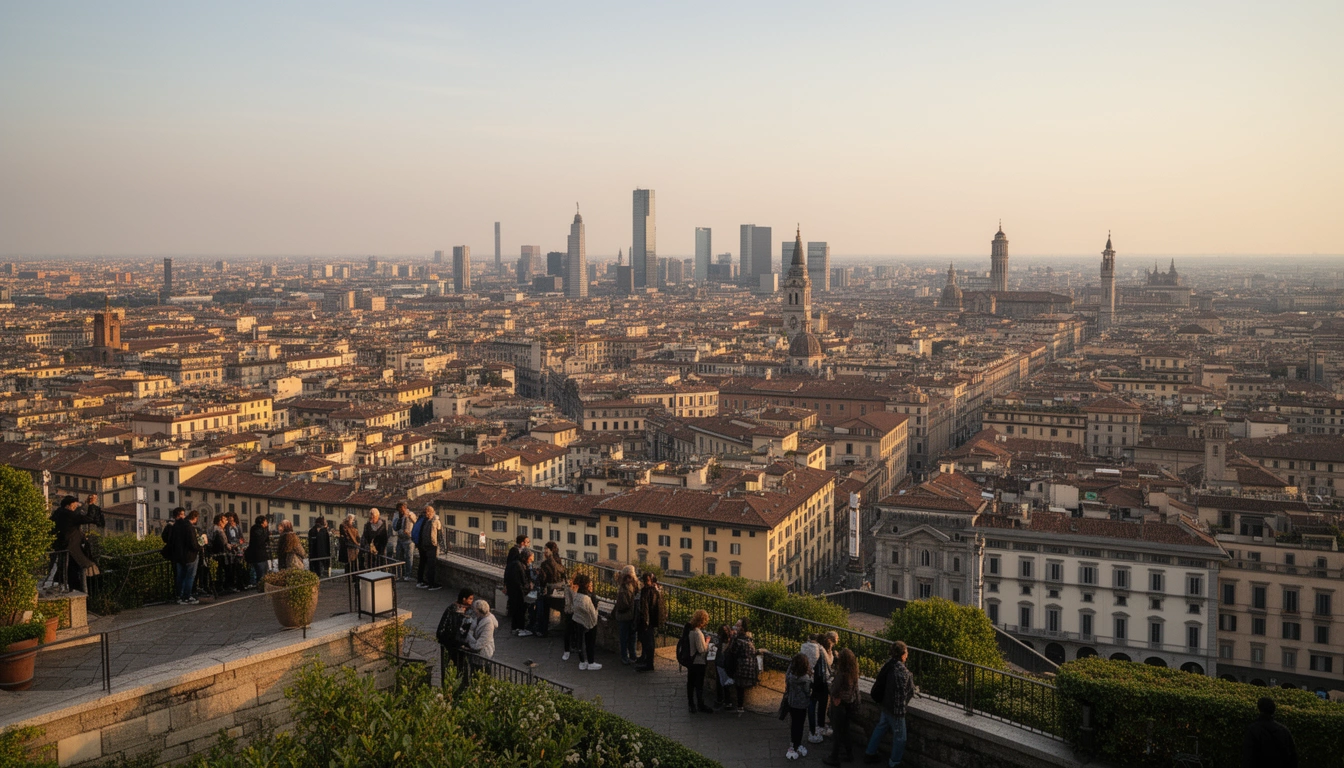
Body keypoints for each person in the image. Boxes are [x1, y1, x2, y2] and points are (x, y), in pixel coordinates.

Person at [864, 641, 915, 767]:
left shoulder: (889, 664)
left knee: (881, 727)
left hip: (885, 704)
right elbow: (903, 694)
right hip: (895, 710)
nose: (907, 655)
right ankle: (894, 763)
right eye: (906, 652)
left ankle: (870, 753)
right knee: (900, 738)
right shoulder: (902, 672)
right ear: (902, 654)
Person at [50, 495, 103, 592]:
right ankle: (76, 590)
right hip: (72, 548)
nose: (75, 506)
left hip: (62, 547)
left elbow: (77, 514)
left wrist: (85, 504)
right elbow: (89, 518)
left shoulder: (58, 513)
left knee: (64, 568)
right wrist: (91, 505)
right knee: (77, 568)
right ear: (68, 506)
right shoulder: (69, 515)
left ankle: (65, 586)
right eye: (74, 505)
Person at [823, 648, 861, 766]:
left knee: (837, 732)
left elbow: (834, 690)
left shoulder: (841, 674)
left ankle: (834, 757)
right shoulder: (853, 673)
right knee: (845, 731)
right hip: (849, 704)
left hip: (839, 705)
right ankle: (849, 754)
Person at [1242, 696, 1298, 768]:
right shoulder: (1284, 731)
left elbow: (1248, 758)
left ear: (1259, 708)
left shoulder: (1253, 730)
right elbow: (1293, 758)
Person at [437, 588, 475, 688]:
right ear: (464, 599)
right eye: (470, 599)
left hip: (460, 644)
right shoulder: (452, 609)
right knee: (455, 668)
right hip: (452, 645)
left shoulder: (468, 610)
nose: (471, 601)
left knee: (462, 668)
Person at [167, 508, 202, 605]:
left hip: (178, 556)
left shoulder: (175, 526)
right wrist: (200, 546)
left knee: (180, 577)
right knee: (190, 576)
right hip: (190, 556)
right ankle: (187, 596)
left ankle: (179, 596)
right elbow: (193, 544)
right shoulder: (189, 527)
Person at [785, 652, 814, 760]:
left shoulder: (790, 677)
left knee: (794, 724)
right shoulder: (806, 678)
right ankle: (798, 744)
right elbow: (807, 692)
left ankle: (793, 744)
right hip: (801, 705)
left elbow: (787, 676)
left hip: (792, 703)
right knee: (800, 725)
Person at [809, 632, 837, 742]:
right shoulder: (822, 651)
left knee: (814, 703)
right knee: (821, 703)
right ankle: (817, 728)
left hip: (812, 679)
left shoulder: (809, 648)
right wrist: (832, 654)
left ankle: (815, 728)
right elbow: (828, 662)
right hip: (820, 680)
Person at [727, 618, 759, 713]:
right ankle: (740, 706)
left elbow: (733, 651)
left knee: (739, 686)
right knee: (740, 687)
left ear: (742, 628)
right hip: (748, 665)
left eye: (738, 625)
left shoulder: (738, 639)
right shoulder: (748, 638)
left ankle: (739, 706)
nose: (735, 627)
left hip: (741, 666)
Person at [570, 573, 601, 671]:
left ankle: (582, 662)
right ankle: (591, 662)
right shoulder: (587, 599)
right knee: (590, 642)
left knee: (580, 642)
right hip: (589, 623)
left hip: (578, 621)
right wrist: (597, 610)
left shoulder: (576, 595)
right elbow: (592, 614)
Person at [535, 542, 566, 638]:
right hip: (559, 588)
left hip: (549, 589)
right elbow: (563, 573)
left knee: (544, 610)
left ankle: (543, 630)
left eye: (546, 549)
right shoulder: (559, 561)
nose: (544, 551)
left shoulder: (545, 563)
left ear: (550, 550)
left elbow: (543, 578)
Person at [685, 609, 713, 714]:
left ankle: (691, 704)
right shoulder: (698, 633)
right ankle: (700, 704)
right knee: (699, 684)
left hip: (691, 661)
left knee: (690, 683)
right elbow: (701, 650)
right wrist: (707, 641)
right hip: (698, 662)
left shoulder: (690, 631)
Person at [634, 571, 663, 671]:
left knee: (648, 642)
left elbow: (648, 608)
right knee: (646, 640)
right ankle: (646, 659)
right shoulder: (653, 590)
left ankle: (649, 663)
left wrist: (646, 621)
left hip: (648, 621)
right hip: (648, 620)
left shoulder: (650, 591)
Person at [613, 564, 638, 665]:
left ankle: (632, 655)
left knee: (631, 637)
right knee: (625, 637)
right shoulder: (624, 589)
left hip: (629, 616)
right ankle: (625, 656)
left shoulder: (632, 586)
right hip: (625, 616)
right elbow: (623, 604)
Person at [505, 548, 534, 636]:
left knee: (517, 611)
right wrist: (528, 587)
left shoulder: (517, 564)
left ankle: (516, 628)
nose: (531, 561)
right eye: (530, 559)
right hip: (518, 592)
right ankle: (519, 628)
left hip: (515, 592)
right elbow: (521, 581)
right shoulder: (518, 565)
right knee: (519, 611)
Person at [415, 505, 442, 590]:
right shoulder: (435, 521)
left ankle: (421, 581)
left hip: (423, 545)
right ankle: (431, 584)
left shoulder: (423, 520)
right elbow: (440, 535)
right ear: (433, 512)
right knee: (431, 565)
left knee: (423, 563)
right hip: (431, 545)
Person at [466, 599, 498, 664]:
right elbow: (471, 630)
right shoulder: (478, 618)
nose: (474, 611)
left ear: (479, 610)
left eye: (475, 609)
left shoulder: (488, 623)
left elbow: (480, 643)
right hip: (475, 653)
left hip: (484, 654)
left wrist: (469, 641)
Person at [206, 514, 231, 594]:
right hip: (219, 554)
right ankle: (220, 588)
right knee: (220, 571)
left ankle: (217, 587)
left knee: (217, 571)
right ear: (220, 521)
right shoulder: (218, 530)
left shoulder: (212, 528)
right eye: (224, 519)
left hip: (213, 553)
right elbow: (222, 542)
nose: (226, 521)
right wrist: (227, 546)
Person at [714, 623, 737, 709]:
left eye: (726, 630)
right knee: (722, 682)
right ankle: (724, 700)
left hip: (724, 663)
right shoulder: (728, 640)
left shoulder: (729, 640)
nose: (726, 632)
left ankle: (724, 700)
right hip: (722, 663)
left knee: (724, 683)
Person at [243, 516, 271, 589]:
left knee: (264, 572)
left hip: (261, 555)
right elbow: (261, 540)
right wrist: (266, 532)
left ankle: (262, 586)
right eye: (266, 521)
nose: (267, 523)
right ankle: (260, 587)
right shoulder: (257, 529)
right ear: (262, 522)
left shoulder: (259, 529)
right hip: (258, 556)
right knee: (261, 573)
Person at [391, 503, 416, 581]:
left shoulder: (411, 514)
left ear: (405, 508)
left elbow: (415, 522)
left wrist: (410, 517)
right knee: (399, 557)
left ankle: (408, 575)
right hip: (400, 539)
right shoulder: (397, 516)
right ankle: (400, 575)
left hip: (409, 540)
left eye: (402, 509)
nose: (401, 511)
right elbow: (395, 527)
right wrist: (398, 519)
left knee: (409, 558)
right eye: (399, 509)